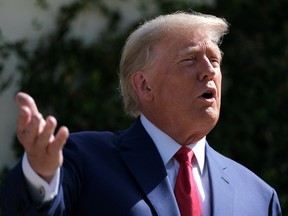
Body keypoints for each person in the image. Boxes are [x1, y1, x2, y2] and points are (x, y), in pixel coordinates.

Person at [0, 11, 282, 216]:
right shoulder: (83, 159)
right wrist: (41, 175)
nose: (209, 70)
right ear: (144, 85)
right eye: (190, 59)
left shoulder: (259, 195)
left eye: (215, 61)